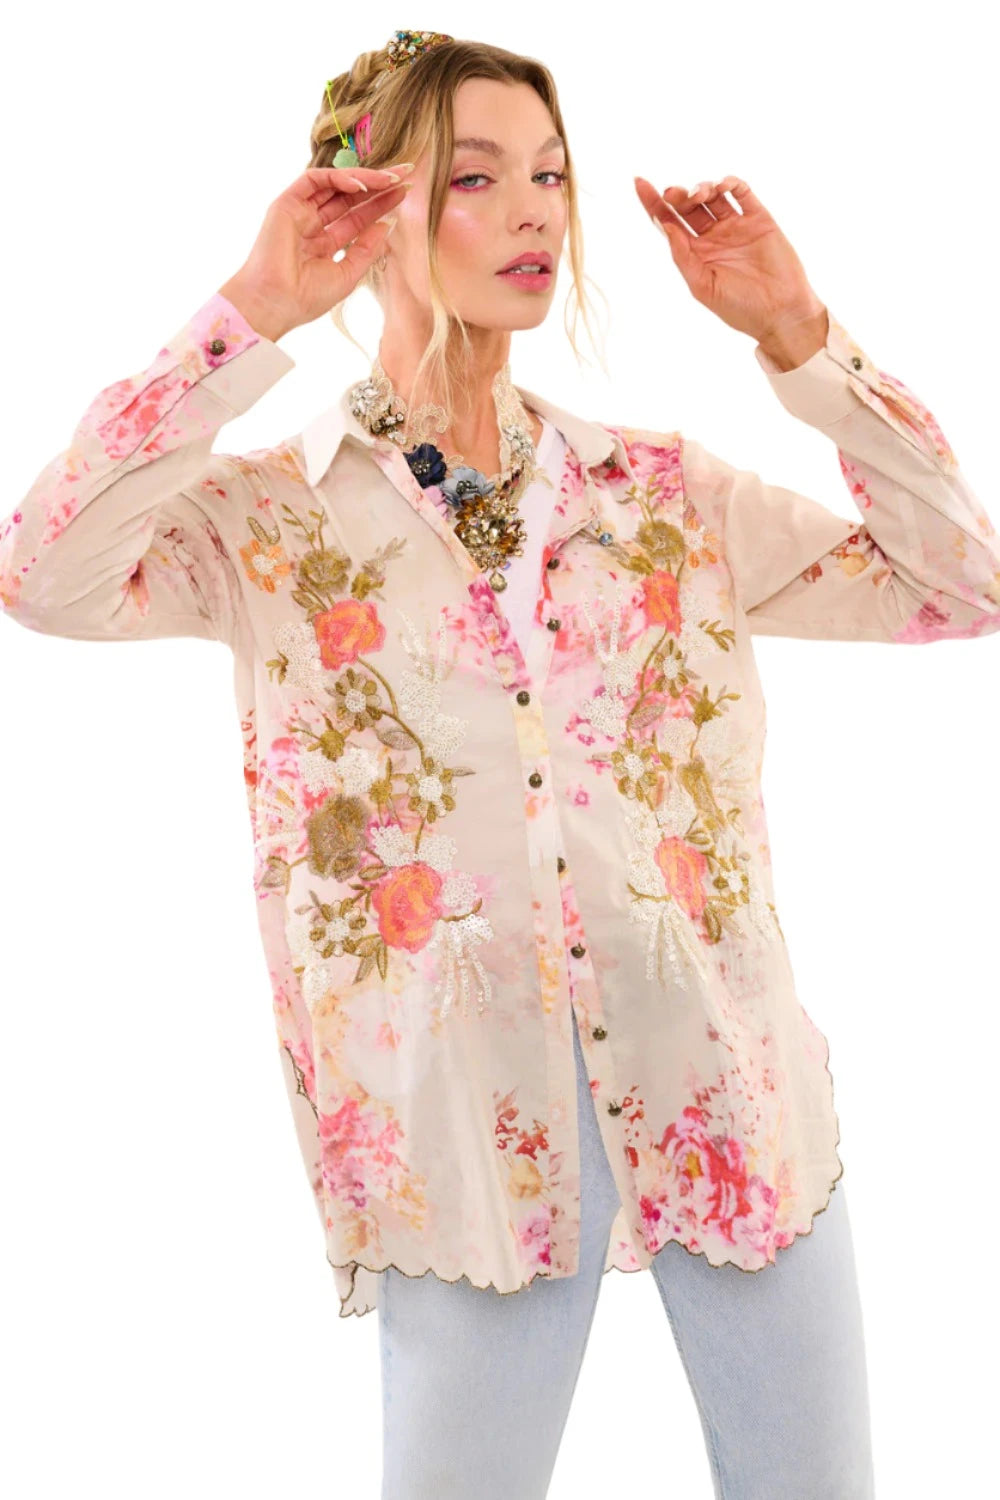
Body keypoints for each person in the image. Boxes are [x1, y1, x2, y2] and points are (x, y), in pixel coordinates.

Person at [4, 30, 999, 1500]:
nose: (534, 210)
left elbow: (961, 584)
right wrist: (252, 312)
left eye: (551, 173)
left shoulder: (663, 496)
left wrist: (800, 337)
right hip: (469, 1146)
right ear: (369, 210)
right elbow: (43, 575)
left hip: (728, 1097)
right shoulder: (272, 523)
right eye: (476, 178)